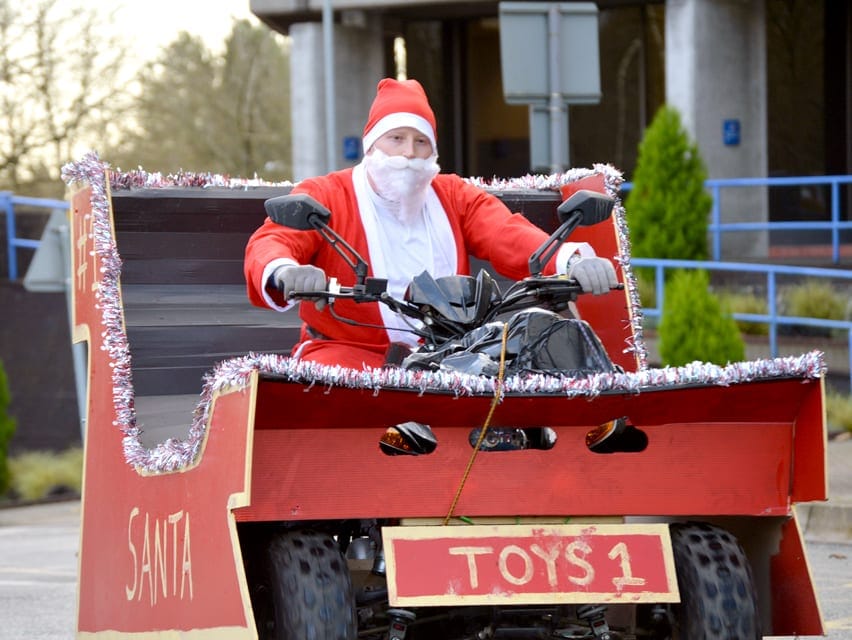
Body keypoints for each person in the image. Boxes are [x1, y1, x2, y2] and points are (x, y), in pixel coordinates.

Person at [244, 78, 617, 370]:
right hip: (348, 351)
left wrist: (570, 260)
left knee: (521, 375)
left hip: (452, 354)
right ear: (371, 144)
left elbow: (506, 232)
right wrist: (286, 272)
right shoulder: (328, 194)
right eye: (396, 139)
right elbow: (274, 241)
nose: (409, 153)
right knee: (326, 389)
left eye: (420, 141)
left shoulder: (452, 195)